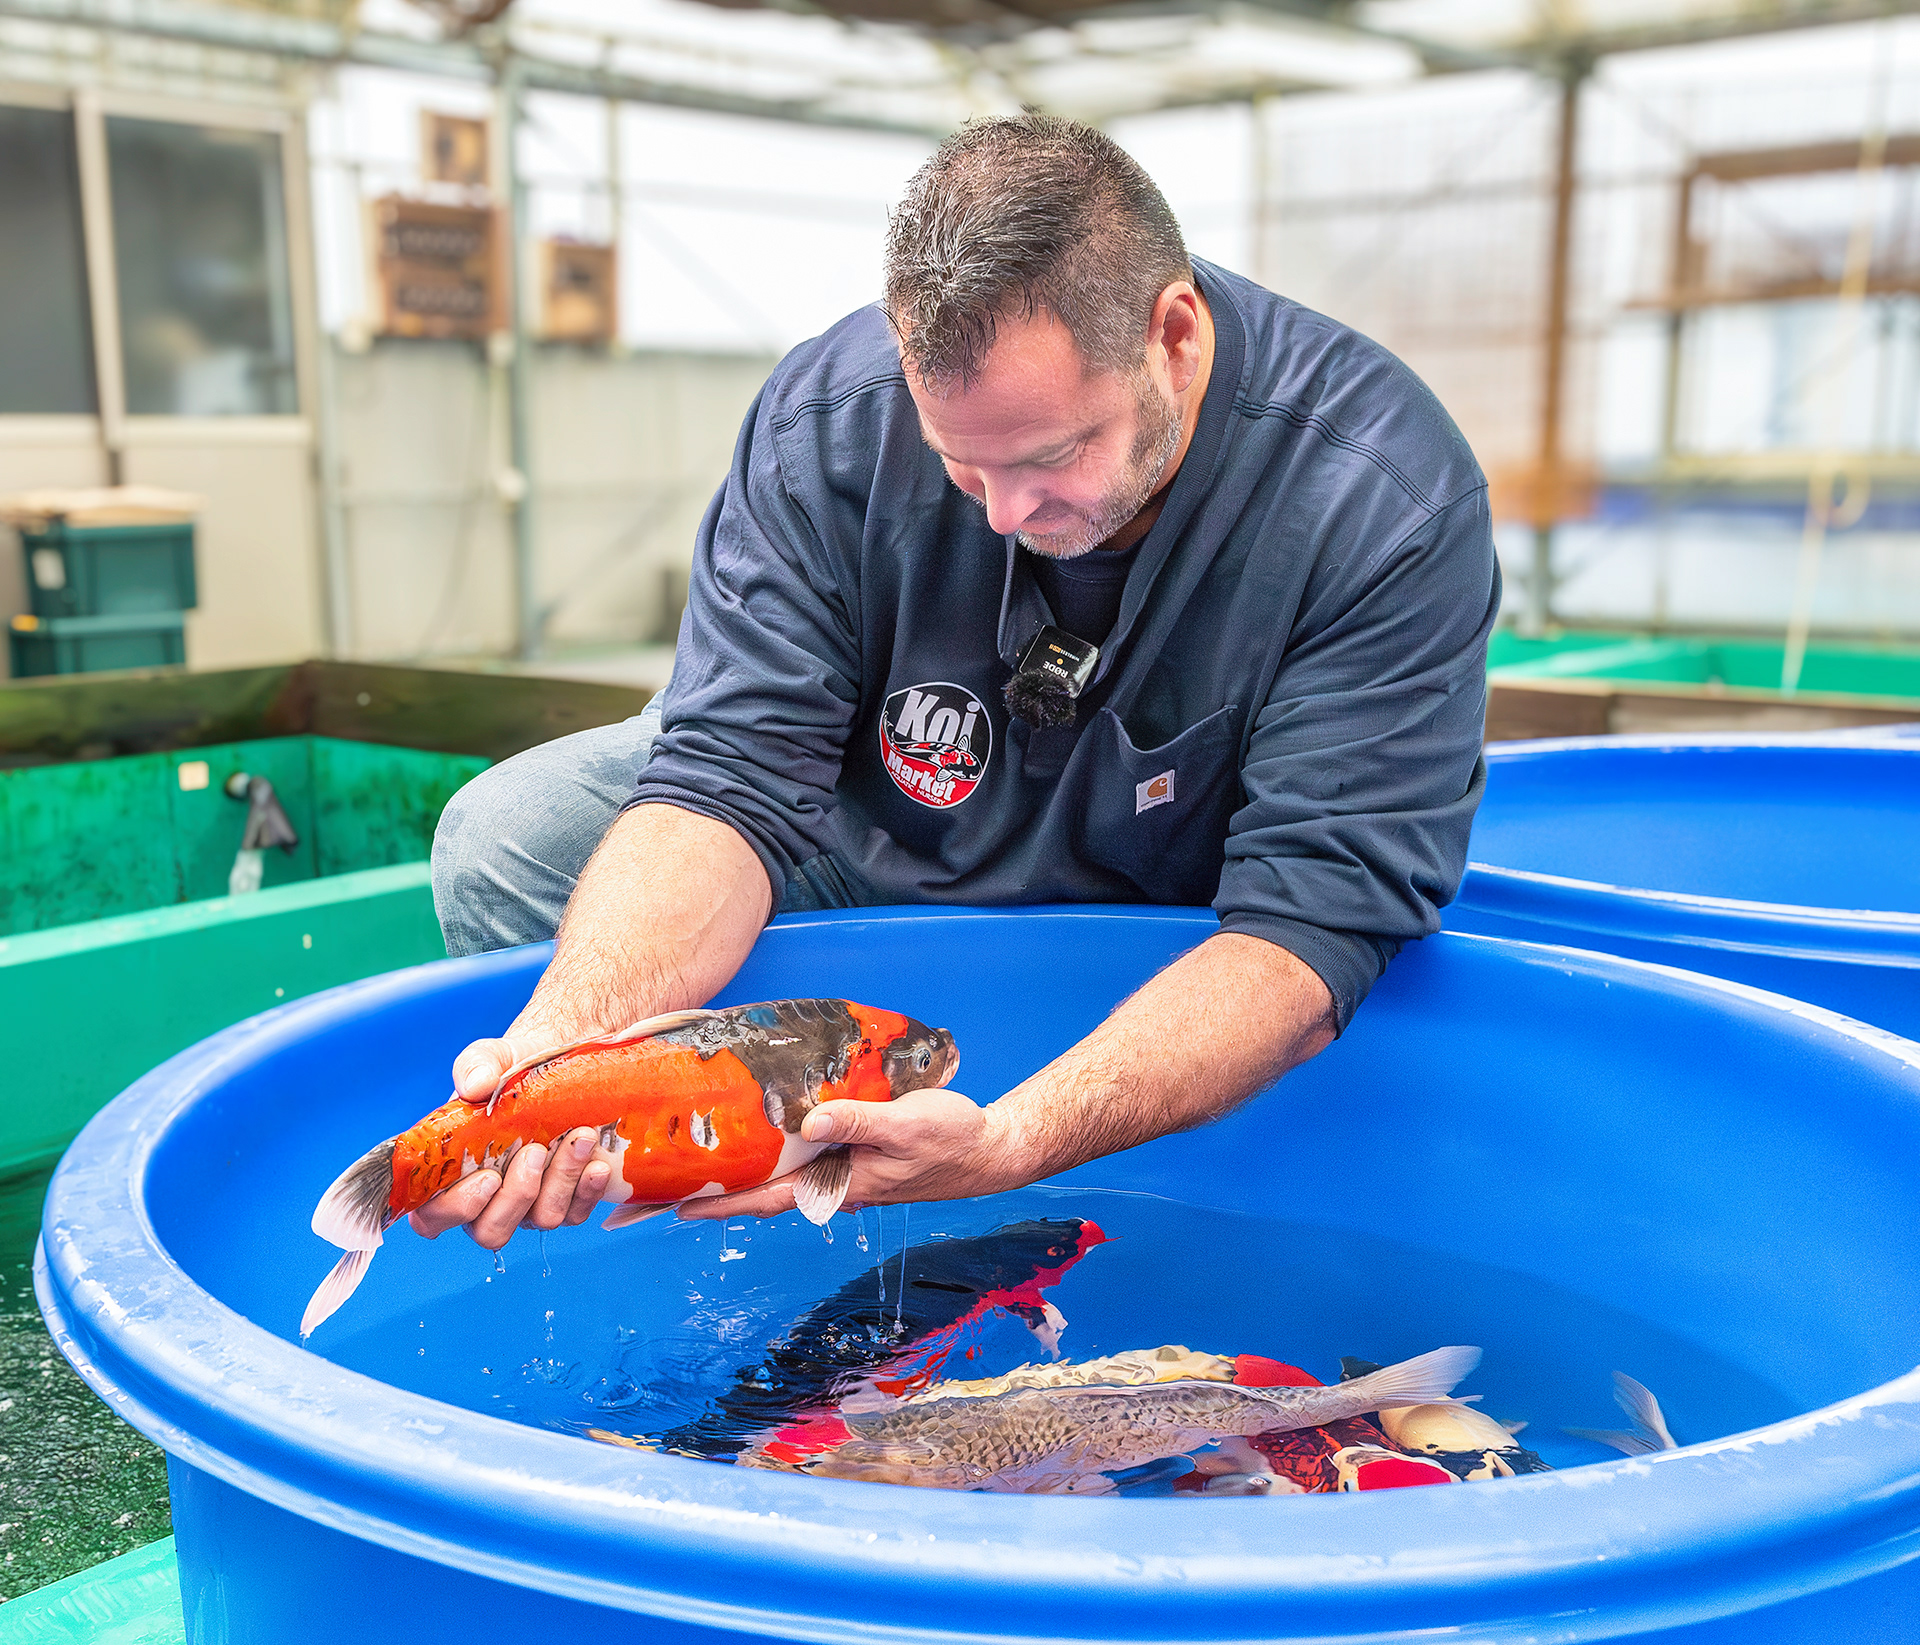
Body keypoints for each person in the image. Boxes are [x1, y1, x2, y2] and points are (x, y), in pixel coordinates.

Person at [422, 112, 1497, 1251]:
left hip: (1145, 904)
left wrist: (1014, 1143)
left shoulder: (1383, 498)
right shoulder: (829, 420)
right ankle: (699, 1217)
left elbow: (1316, 922)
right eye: (956, 461)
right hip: (866, 832)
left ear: (1173, 337)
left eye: (1051, 457)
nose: (1002, 515)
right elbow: (728, 776)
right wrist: (568, 1043)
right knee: (516, 837)